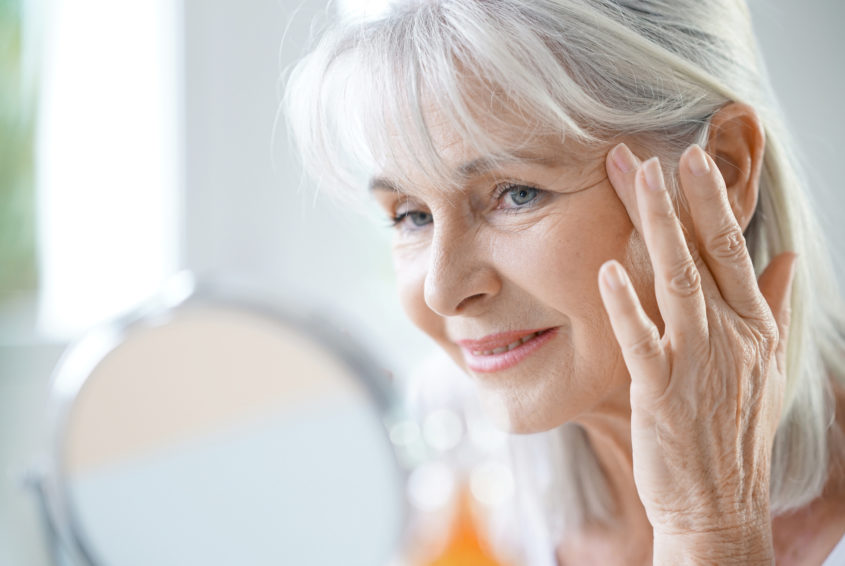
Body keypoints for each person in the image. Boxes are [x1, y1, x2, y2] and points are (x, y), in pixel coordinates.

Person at [283, 1, 845, 564]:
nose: (442, 291)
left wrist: (713, 530)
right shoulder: (441, 441)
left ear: (721, 171)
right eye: (412, 216)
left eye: (516, 193)